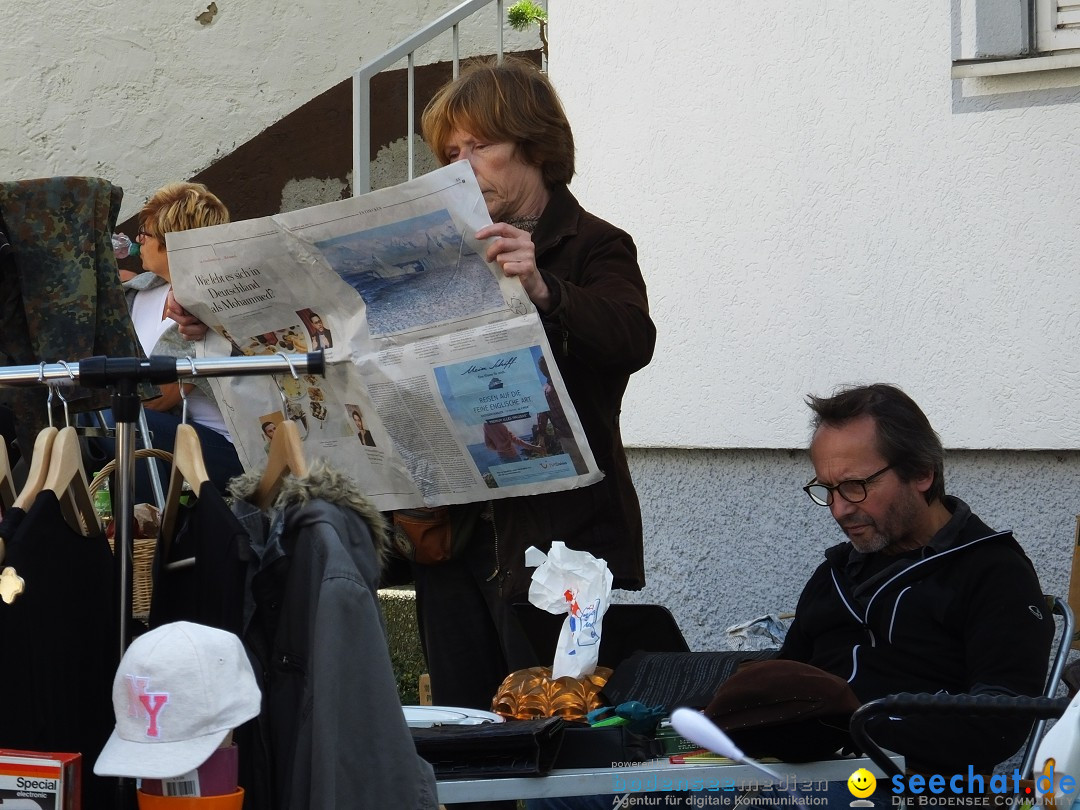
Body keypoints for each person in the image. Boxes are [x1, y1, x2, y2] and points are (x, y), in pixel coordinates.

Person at [413, 55, 656, 725]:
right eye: (451, 152)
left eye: (480, 145)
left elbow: (633, 339)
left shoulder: (594, 245)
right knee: (466, 741)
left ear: (534, 145)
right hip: (458, 543)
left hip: (559, 551)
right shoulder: (442, 255)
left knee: (557, 747)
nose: (463, 165)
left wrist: (546, 289)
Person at [781, 383, 1054, 776]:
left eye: (856, 486)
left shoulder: (992, 571)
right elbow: (786, 678)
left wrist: (854, 726)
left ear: (922, 472)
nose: (839, 510)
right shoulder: (834, 572)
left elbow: (1000, 721)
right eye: (828, 489)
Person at [100, 182, 245, 503]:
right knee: (69, 426)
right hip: (171, 431)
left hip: (224, 447)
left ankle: (149, 534)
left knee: (118, 423)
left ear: (173, 244)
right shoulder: (140, 291)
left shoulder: (206, 306)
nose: (137, 240)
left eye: (145, 233)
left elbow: (155, 400)